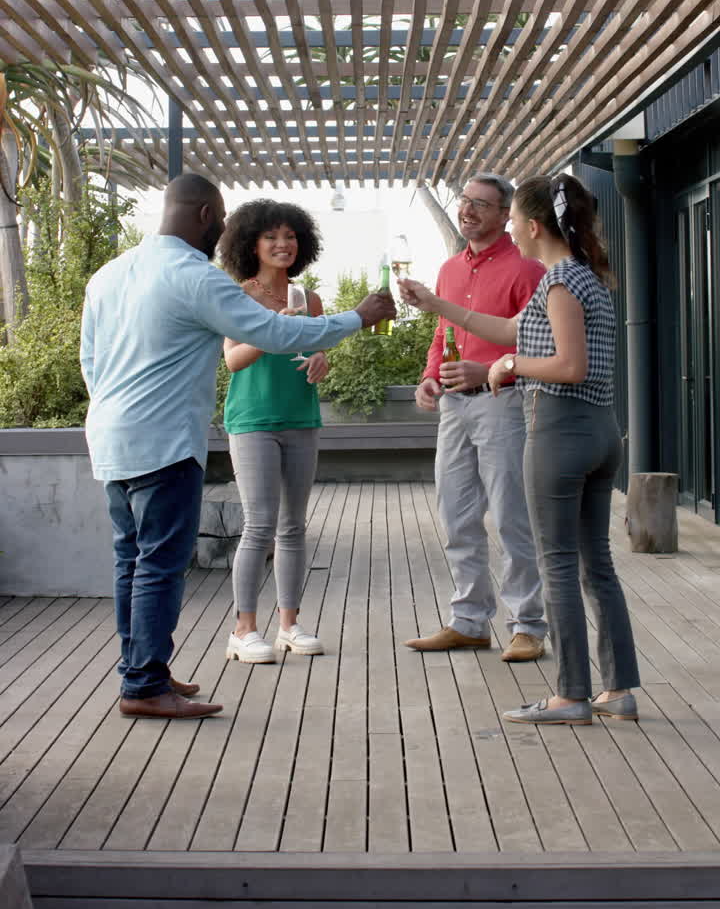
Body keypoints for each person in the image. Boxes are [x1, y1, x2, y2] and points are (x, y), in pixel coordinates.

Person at [80, 173, 395, 721]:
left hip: (112, 437)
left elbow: (91, 363)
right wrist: (358, 317)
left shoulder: (108, 275)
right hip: (164, 444)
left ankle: (141, 667)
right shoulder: (194, 277)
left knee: (130, 559)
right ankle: (145, 685)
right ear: (205, 214)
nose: (224, 229)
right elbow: (278, 335)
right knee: (158, 564)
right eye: (222, 219)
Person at [401, 173, 640, 726]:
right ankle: (618, 690)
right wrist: (439, 304)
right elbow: (512, 328)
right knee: (595, 566)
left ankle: (570, 696)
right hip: (600, 432)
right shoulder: (584, 276)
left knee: (559, 565)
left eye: (511, 218)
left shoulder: (558, 282)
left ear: (533, 225)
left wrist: (506, 368)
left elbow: (566, 365)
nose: (508, 226)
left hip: (560, 431)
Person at [404, 172, 547, 662]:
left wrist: (489, 370)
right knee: (456, 515)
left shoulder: (526, 268)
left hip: (502, 403)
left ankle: (527, 625)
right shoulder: (448, 270)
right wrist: (429, 376)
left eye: (481, 204)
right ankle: (469, 621)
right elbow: (444, 329)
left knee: (511, 516)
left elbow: (540, 342)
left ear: (506, 214)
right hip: (453, 407)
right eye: (464, 201)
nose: (467, 210)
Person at [219, 200, 329, 663]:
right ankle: (243, 631)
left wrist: (323, 360)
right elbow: (232, 359)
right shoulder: (239, 296)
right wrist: (272, 331)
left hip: (301, 417)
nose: (283, 245)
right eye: (272, 237)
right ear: (252, 245)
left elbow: (318, 354)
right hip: (252, 421)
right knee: (259, 525)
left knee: (293, 527)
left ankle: (290, 625)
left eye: (290, 237)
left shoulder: (309, 300)